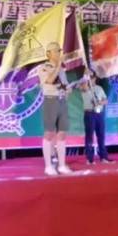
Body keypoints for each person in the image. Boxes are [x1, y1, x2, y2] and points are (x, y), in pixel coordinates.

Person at [38, 42, 73, 176]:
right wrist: (58, 66)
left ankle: (62, 165)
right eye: (56, 51)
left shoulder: (62, 70)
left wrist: (68, 89)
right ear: (49, 53)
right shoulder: (43, 68)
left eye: (59, 51)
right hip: (50, 100)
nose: (59, 53)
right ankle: (48, 166)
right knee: (49, 133)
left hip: (62, 101)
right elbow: (50, 80)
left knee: (62, 134)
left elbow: (65, 85)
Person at [79, 71, 111, 164]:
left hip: (99, 113)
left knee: (101, 135)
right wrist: (86, 77)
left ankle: (103, 157)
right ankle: (89, 158)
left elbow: (105, 100)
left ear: (95, 78)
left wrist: (100, 102)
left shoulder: (99, 88)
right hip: (89, 113)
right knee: (89, 136)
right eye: (89, 77)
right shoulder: (84, 86)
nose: (91, 79)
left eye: (92, 77)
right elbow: (84, 87)